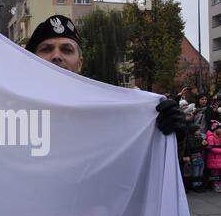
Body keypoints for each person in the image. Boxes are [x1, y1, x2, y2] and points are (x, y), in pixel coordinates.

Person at [25, 15, 185, 138]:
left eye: (66, 50)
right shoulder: (9, 114)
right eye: (46, 49)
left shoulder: (107, 114)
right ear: (31, 59)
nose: (56, 56)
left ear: (80, 63)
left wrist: (162, 134)